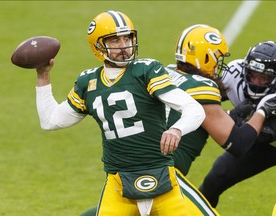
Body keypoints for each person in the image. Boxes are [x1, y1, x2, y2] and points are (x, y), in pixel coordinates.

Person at [81, 24, 276, 216]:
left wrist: (231, 115)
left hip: (128, 168)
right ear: (206, 57)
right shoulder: (201, 87)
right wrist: (262, 111)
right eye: (217, 58)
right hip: (165, 174)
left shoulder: (161, 73)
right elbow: (238, 143)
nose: (219, 65)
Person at [35, 10, 209, 215]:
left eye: (127, 38)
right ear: (98, 46)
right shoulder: (88, 82)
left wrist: (177, 129)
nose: (124, 46)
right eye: (115, 40)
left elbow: (194, 109)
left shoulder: (146, 70)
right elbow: (50, 121)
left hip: (162, 177)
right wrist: (43, 75)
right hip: (118, 184)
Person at [198, 40, 276, 208]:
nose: (256, 81)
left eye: (264, 78)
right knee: (215, 179)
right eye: (252, 74)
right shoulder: (234, 73)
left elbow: (262, 135)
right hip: (257, 140)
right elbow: (204, 101)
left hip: (263, 137)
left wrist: (232, 117)